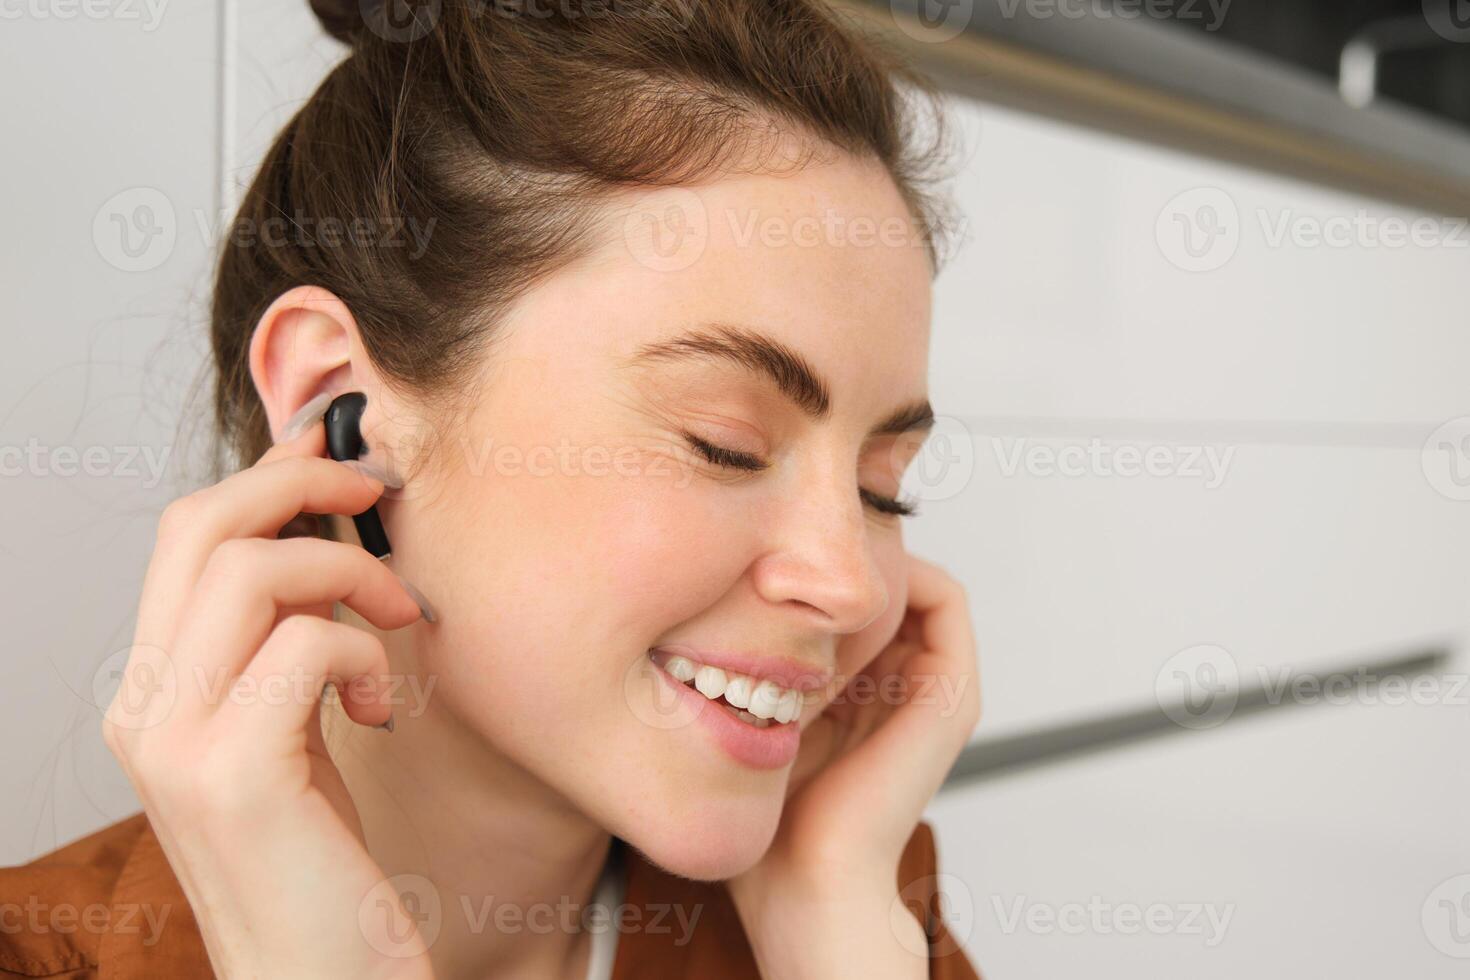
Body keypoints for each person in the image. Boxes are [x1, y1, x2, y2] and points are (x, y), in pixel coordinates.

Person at [1, 0, 982, 976]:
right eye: (723, 442)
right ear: (340, 413)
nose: (850, 584)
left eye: (881, 489)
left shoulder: (865, 915)